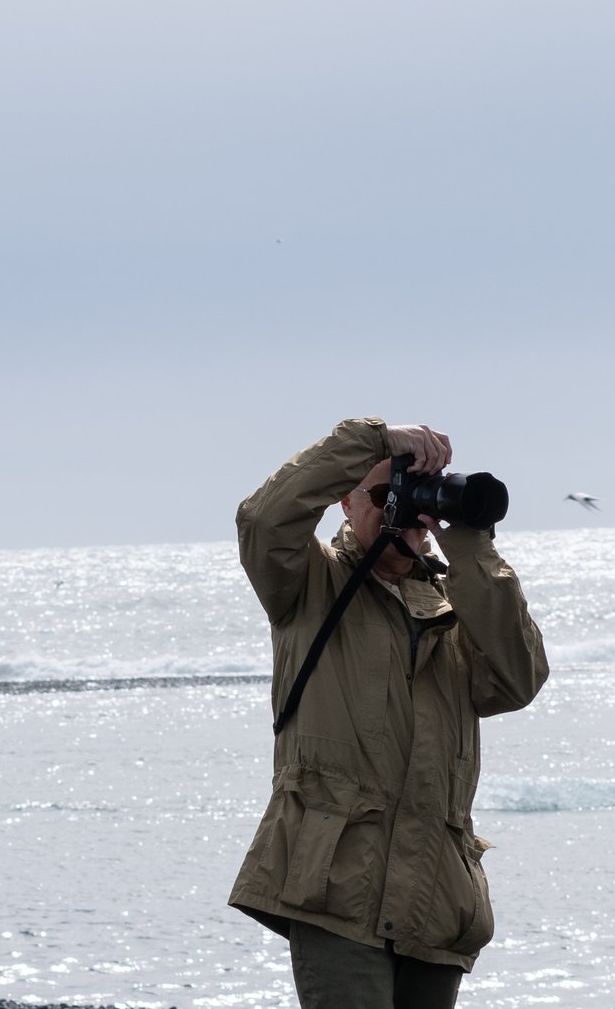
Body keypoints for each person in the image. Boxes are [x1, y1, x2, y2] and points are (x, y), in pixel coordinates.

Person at [228, 416, 549, 1009]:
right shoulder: (308, 585)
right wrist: (373, 440)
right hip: (335, 886)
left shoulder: (455, 606)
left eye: (408, 494)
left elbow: (520, 678)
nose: (396, 508)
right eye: (380, 494)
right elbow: (264, 519)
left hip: (435, 895)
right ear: (345, 503)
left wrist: (470, 542)